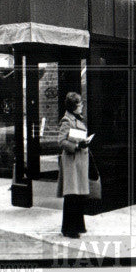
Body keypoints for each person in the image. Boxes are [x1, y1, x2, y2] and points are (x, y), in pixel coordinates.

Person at [57, 92, 90, 238]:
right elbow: (61, 141)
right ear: (73, 106)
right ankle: (70, 229)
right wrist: (77, 145)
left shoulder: (77, 118)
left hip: (79, 162)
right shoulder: (66, 121)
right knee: (72, 196)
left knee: (78, 196)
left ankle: (76, 227)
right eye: (79, 104)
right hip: (72, 163)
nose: (82, 106)